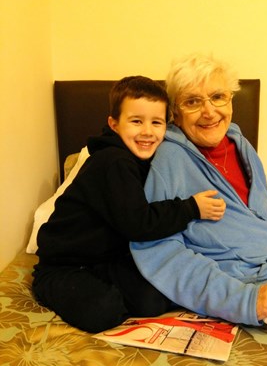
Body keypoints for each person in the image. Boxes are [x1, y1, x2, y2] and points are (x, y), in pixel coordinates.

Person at [32, 75, 226, 333]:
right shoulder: (112, 162)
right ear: (114, 124)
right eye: (136, 121)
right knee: (103, 312)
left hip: (105, 261)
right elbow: (139, 223)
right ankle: (50, 288)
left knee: (153, 298)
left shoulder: (149, 161)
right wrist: (191, 208)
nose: (147, 131)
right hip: (66, 265)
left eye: (156, 122)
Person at [130, 54, 267, 326]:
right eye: (192, 102)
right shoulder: (169, 159)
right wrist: (249, 300)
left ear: (231, 101)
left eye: (217, 97)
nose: (209, 112)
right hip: (258, 289)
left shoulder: (240, 145)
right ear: (175, 115)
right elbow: (159, 249)